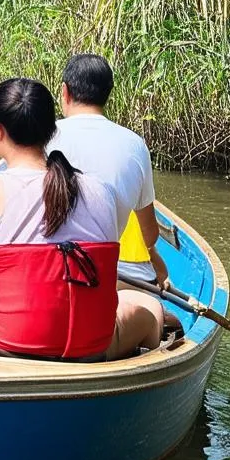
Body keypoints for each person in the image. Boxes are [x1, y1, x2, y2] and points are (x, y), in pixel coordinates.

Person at [0, 78, 163, 359]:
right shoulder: (102, 191)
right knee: (149, 311)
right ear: (51, 129)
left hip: (5, 347)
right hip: (91, 347)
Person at [51, 53, 168, 290]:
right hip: (108, 276)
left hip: (51, 272)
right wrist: (154, 256)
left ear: (65, 92)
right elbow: (150, 235)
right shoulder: (135, 145)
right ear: (107, 95)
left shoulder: (43, 136)